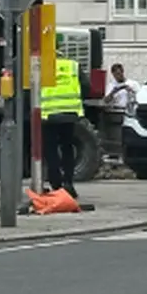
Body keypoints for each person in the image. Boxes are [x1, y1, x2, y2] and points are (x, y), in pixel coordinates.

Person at [41, 57, 85, 197]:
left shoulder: (41, 65)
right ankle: (68, 183)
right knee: (67, 147)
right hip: (69, 113)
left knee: (50, 149)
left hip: (49, 114)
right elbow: (86, 86)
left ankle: (56, 184)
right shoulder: (71, 65)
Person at [102, 63, 139, 160]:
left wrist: (130, 91)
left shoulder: (133, 83)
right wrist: (114, 91)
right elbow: (106, 100)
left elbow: (139, 97)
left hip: (129, 111)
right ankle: (117, 152)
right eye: (116, 75)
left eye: (120, 73)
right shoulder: (111, 85)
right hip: (117, 111)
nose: (119, 76)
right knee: (117, 134)